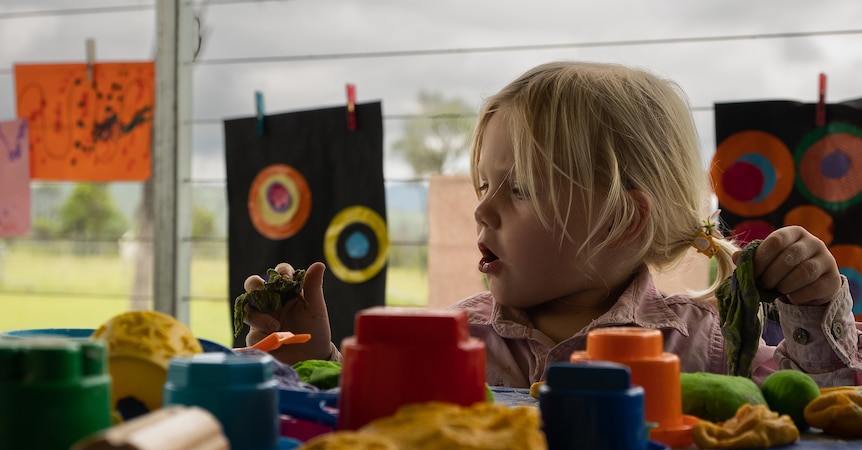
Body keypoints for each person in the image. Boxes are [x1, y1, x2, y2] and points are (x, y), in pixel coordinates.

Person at [242, 61, 862, 388]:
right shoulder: (453, 338)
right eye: (485, 184)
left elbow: (825, 413)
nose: (482, 209)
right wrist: (306, 353)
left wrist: (814, 303)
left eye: (519, 190)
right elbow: (350, 409)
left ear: (621, 219)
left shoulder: (706, 346)